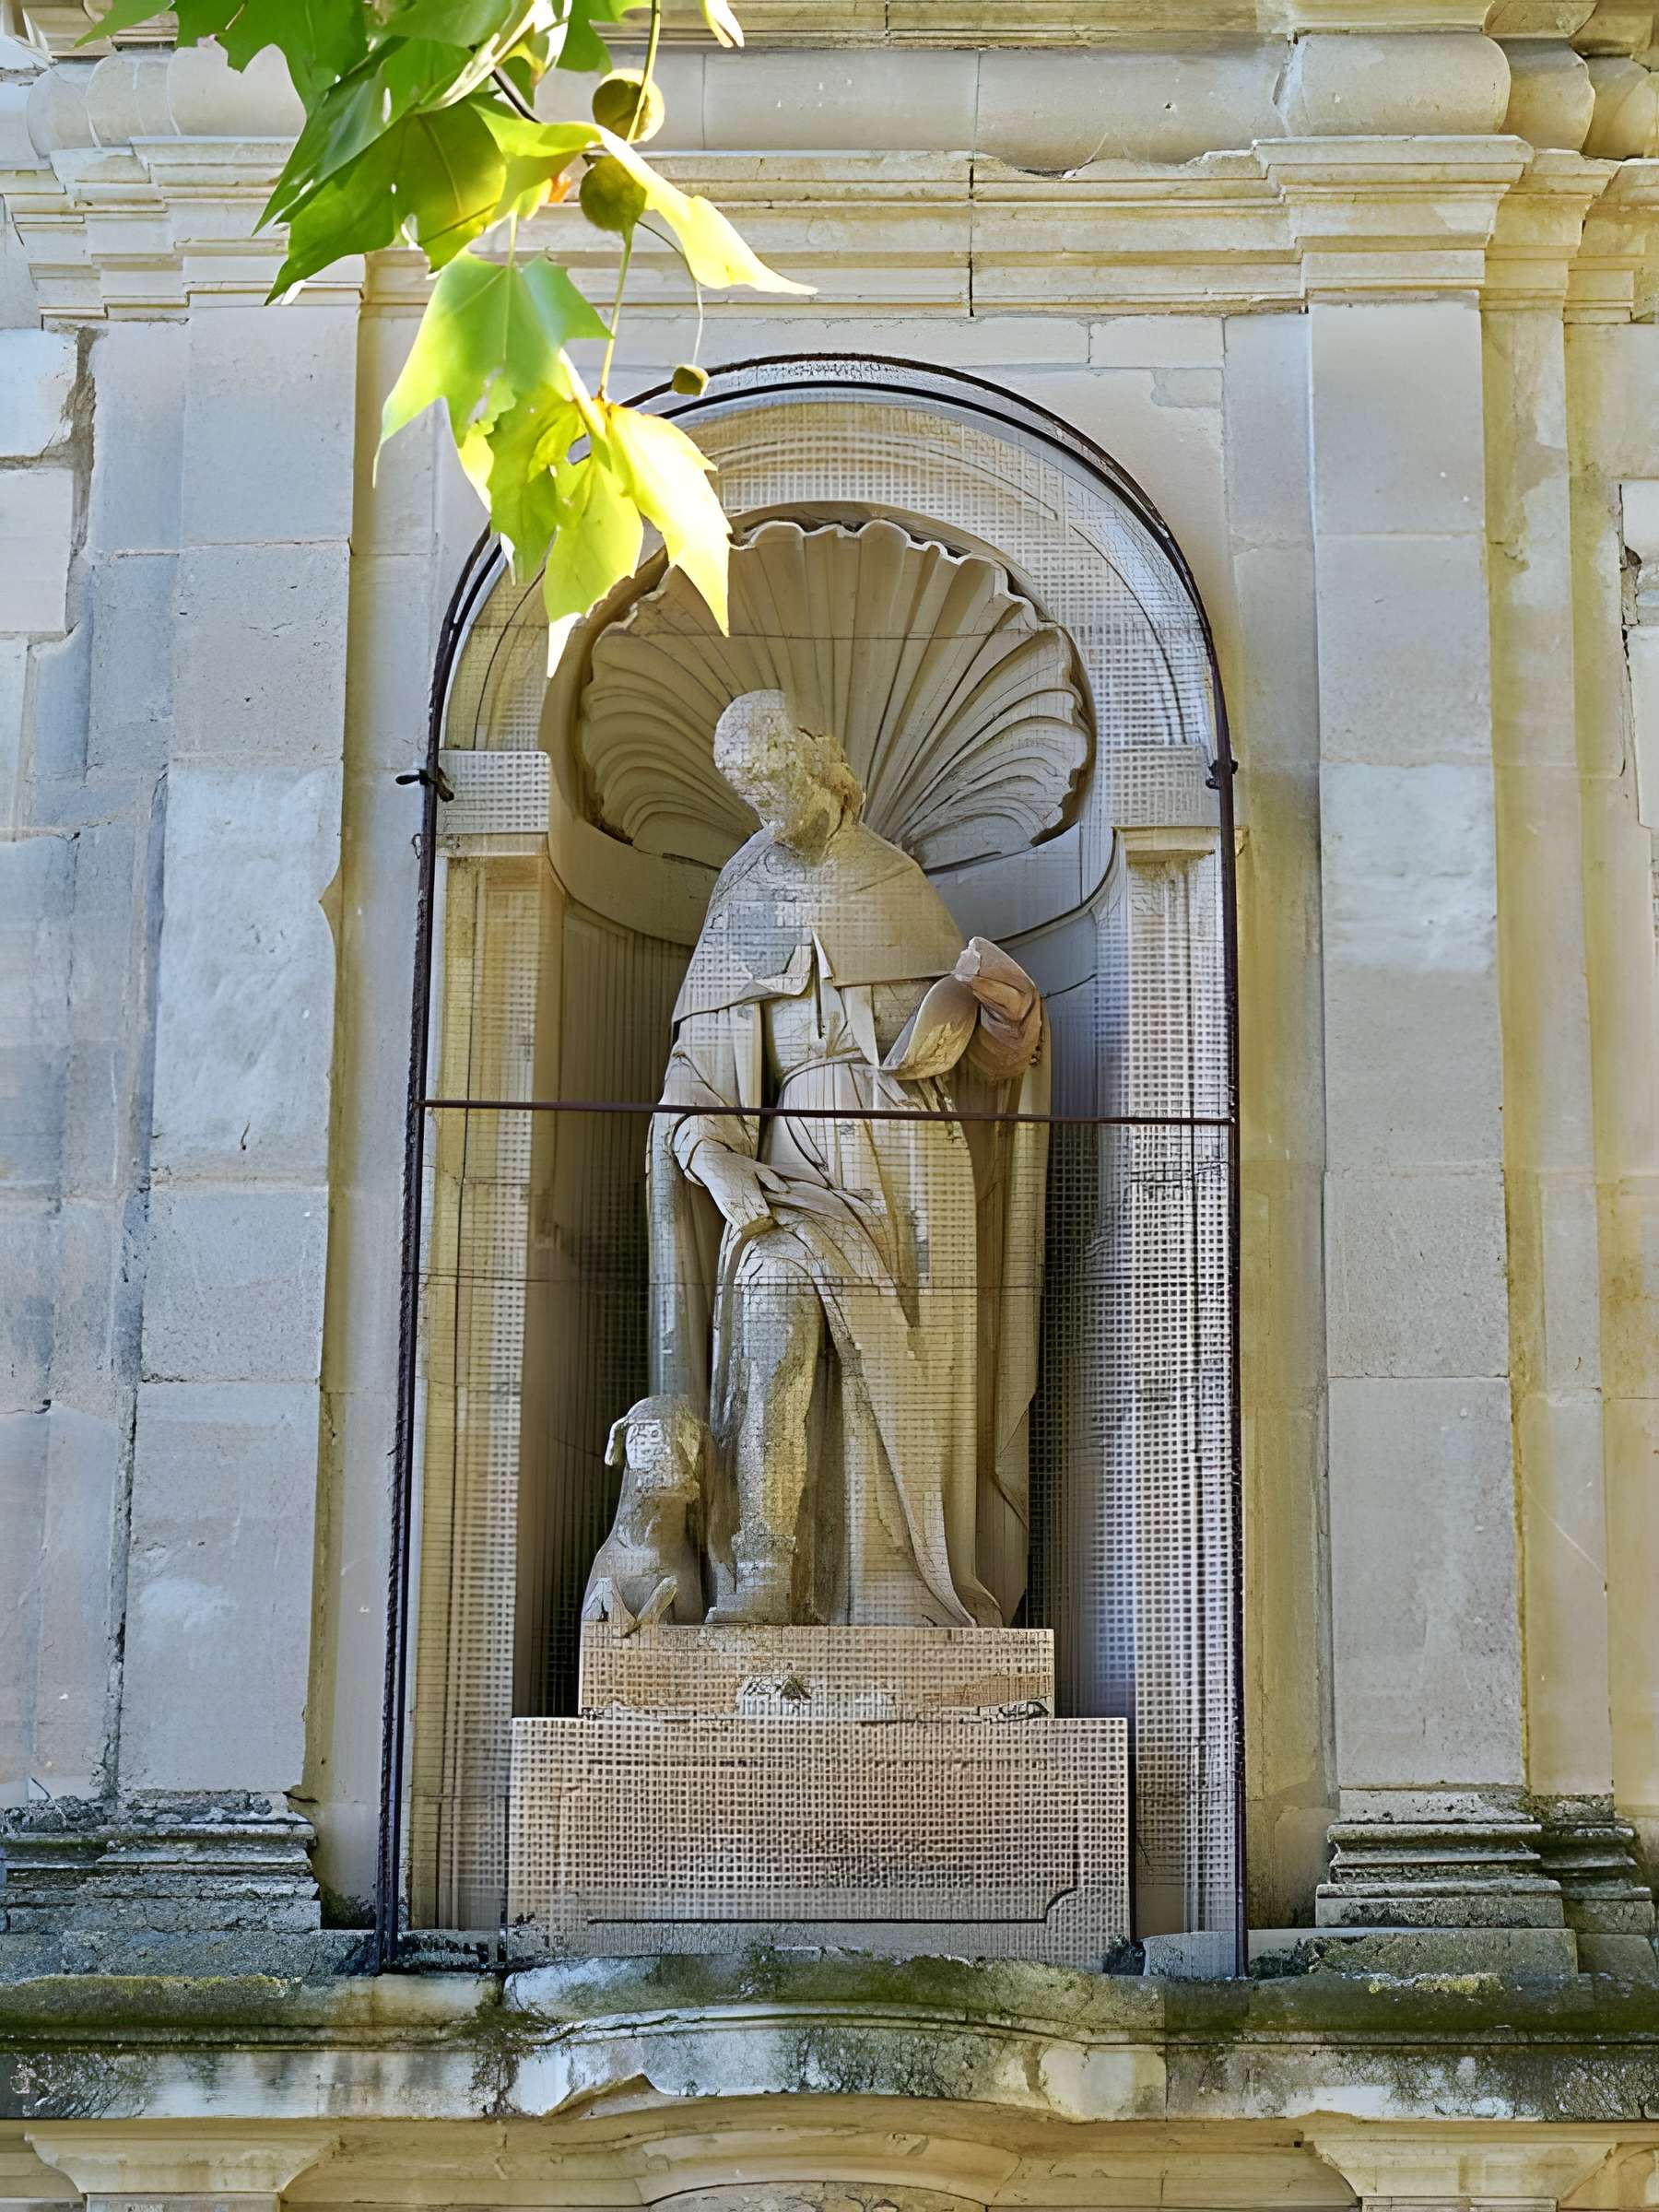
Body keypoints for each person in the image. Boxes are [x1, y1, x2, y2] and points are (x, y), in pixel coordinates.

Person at [643, 689, 1048, 1629]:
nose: (770, 808)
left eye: (779, 782)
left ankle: (899, 1578)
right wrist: (714, 1160)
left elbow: (990, 1067)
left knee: (898, 1360)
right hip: (791, 1159)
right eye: (752, 793)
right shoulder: (745, 901)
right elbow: (695, 1072)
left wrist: (1007, 1014)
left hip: (915, 1152)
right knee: (774, 1328)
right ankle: (766, 1575)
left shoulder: (895, 885)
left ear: (822, 765)